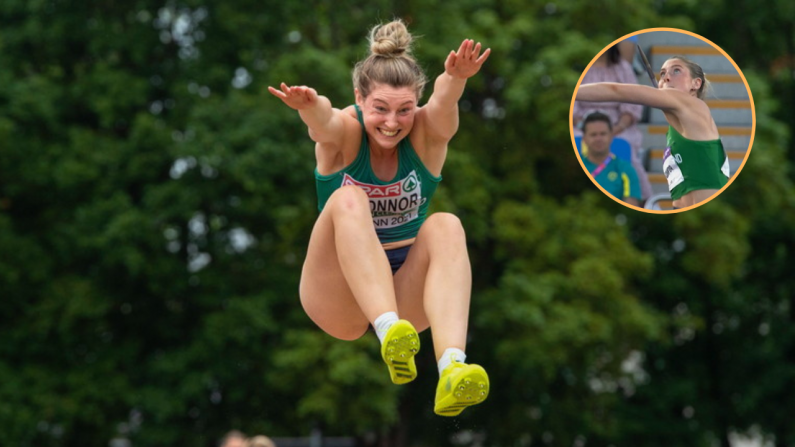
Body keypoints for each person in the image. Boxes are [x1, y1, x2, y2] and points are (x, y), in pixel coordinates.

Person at [268, 19, 490, 416]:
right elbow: (325, 122)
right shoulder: (347, 134)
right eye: (380, 109)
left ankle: (452, 368)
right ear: (359, 99)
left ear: (416, 103)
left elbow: (442, 104)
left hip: (403, 291)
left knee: (447, 225)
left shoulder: (426, 135)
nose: (392, 122)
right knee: (348, 199)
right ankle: (389, 333)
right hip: (338, 296)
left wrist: (456, 80)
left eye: (405, 110)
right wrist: (309, 106)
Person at [576, 55, 730, 209]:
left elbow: (616, 91)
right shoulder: (679, 128)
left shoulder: (692, 104)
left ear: (696, 83)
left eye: (676, 71)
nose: (667, 77)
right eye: (662, 74)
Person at [572, 44, 652, 200]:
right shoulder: (579, 68)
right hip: (581, 124)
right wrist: (584, 126)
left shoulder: (622, 67)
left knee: (624, 144)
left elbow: (632, 103)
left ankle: (640, 197)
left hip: (618, 125)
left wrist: (616, 128)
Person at [580, 112, 641, 206]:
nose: (598, 139)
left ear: (611, 136)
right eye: (593, 135)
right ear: (584, 139)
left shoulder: (625, 169)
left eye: (603, 134)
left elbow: (631, 206)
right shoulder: (573, 166)